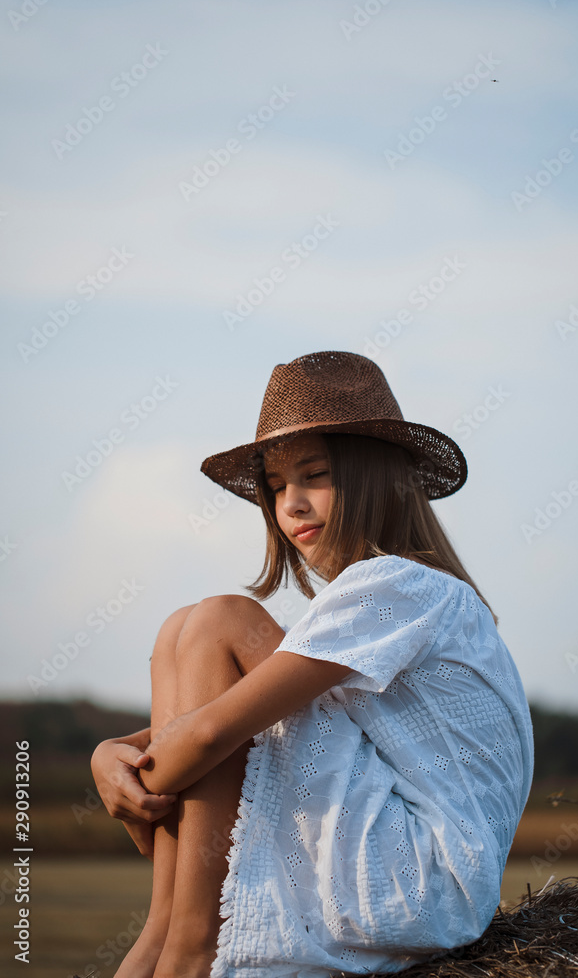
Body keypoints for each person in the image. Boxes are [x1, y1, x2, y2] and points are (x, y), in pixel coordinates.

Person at [90, 350, 534, 978]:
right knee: (178, 633)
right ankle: (166, 932)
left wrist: (145, 786)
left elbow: (212, 732)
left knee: (221, 619)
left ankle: (189, 943)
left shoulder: (400, 585)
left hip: (424, 876)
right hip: (414, 872)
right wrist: (113, 753)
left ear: (379, 476)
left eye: (315, 475)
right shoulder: (387, 602)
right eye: (275, 488)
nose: (291, 503)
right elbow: (214, 719)